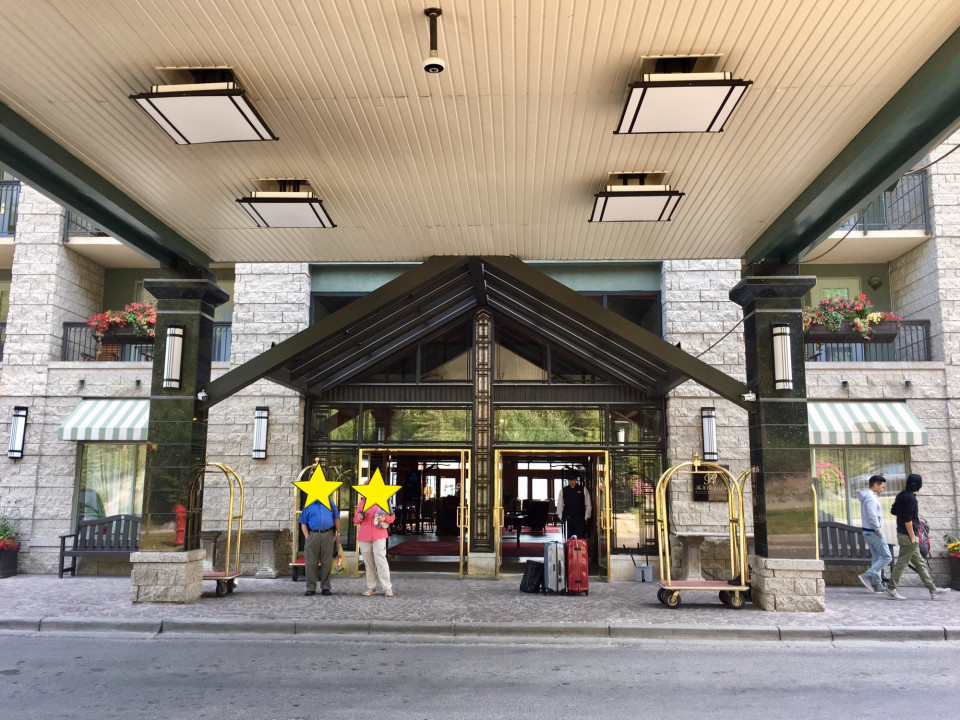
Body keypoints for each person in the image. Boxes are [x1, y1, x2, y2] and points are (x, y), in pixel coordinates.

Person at [885, 473, 951, 600]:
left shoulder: (901, 495)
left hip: (903, 533)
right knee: (902, 563)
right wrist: (913, 536)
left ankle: (933, 590)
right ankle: (891, 588)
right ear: (918, 485)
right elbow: (907, 520)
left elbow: (894, 511)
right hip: (908, 536)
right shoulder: (911, 499)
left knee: (920, 563)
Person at [298, 495, 341, 597]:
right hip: (313, 535)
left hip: (328, 534)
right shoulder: (308, 504)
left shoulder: (330, 502)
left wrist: (338, 534)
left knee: (327, 562)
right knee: (311, 563)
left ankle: (325, 587)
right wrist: (307, 537)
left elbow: (336, 519)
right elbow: (303, 523)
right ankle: (310, 588)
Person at [857, 475, 891, 593]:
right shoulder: (871, 498)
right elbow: (872, 516)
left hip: (868, 532)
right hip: (873, 532)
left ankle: (877, 584)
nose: (883, 489)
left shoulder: (868, 496)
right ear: (875, 485)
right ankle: (868, 575)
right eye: (882, 487)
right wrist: (878, 530)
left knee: (876, 557)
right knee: (887, 557)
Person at [354, 498, 396, 597]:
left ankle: (387, 587)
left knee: (381, 561)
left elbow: (392, 517)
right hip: (364, 536)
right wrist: (359, 517)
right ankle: (371, 587)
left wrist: (384, 519)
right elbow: (355, 520)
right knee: (369, 563)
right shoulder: (362, 502)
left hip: (379, 535)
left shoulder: (383, 500)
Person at [558, 474, 591, 539]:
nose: (572, 482)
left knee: (580, 539)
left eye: (573, 480)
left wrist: (586, 517)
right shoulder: (563, 490)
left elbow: (588, 504)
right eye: (570, 480)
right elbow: (559, 504)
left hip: (580, 519)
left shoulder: (583, 489)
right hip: (568, 519)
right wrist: (561, 516)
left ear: (576, 480)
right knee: (568, 540)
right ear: (568, 480)